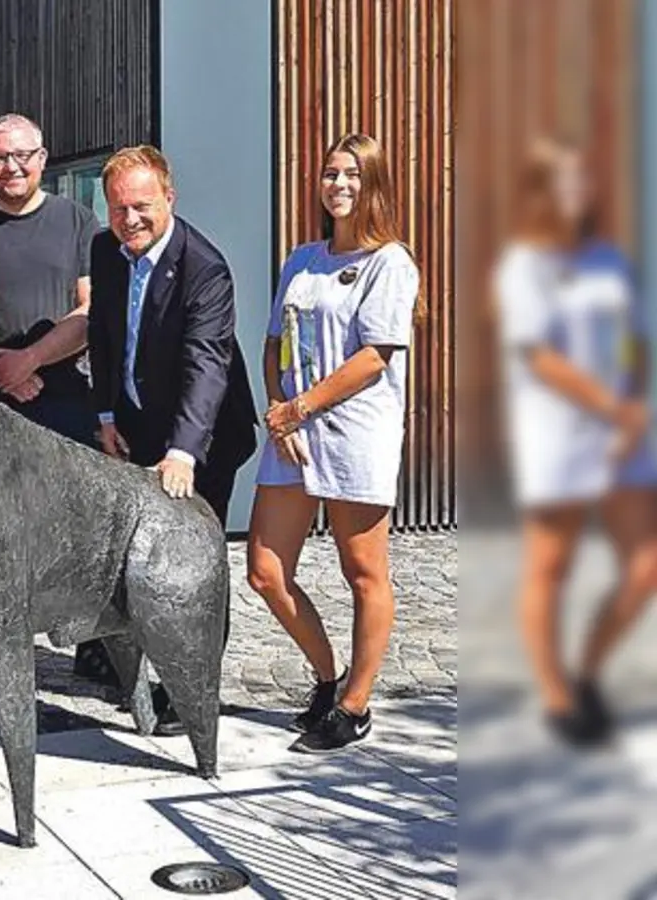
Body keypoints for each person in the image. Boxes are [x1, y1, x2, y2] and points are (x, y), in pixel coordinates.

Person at [246, 133, 422, 754]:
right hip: (292, 434)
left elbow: (374, 357)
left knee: (363, 571)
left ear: (373, 183)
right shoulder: (302, 259)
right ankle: (327, 677)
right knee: (266, 572)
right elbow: (275, 343)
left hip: (353, 432)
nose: (338, 185)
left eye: (351, 174)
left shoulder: (390, 263)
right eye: (329, 174)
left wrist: (299, 409)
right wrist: (280, 414)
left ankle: (355, 705)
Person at [0, 114, 105, 711]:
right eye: (0, 158)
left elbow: (89, 311)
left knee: (68, 531)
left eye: (23, 156)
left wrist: (31, 358)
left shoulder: (76, 221)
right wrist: (0, 368)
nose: (12, 167)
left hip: (64, 398)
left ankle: (91, 644)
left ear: (43, 158)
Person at [88, 145, 259, 736]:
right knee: (142, 556)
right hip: (136, 426)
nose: (129, 219)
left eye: (141, 206)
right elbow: (103, 333)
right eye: (118, 208)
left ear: (169, 198)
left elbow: (206, 364)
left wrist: (183, 452)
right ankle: (142, 668)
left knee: (194, 565)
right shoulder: (106, 251)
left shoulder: (204, 267)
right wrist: (106, 414)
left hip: (204, 437)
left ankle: (194, 690)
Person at [496, 137, 657, 748]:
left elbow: (634, 342)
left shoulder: (608, 261)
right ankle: (557, 695)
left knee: (645, 565)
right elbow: (539, 358)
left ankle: (588, 669)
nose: (572, 192)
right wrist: (610, 407)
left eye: (579, 180)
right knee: (550, 566)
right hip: (556, 437)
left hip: (621, 435)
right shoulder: (525, 268)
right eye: (559, 181)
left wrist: (631, 407)